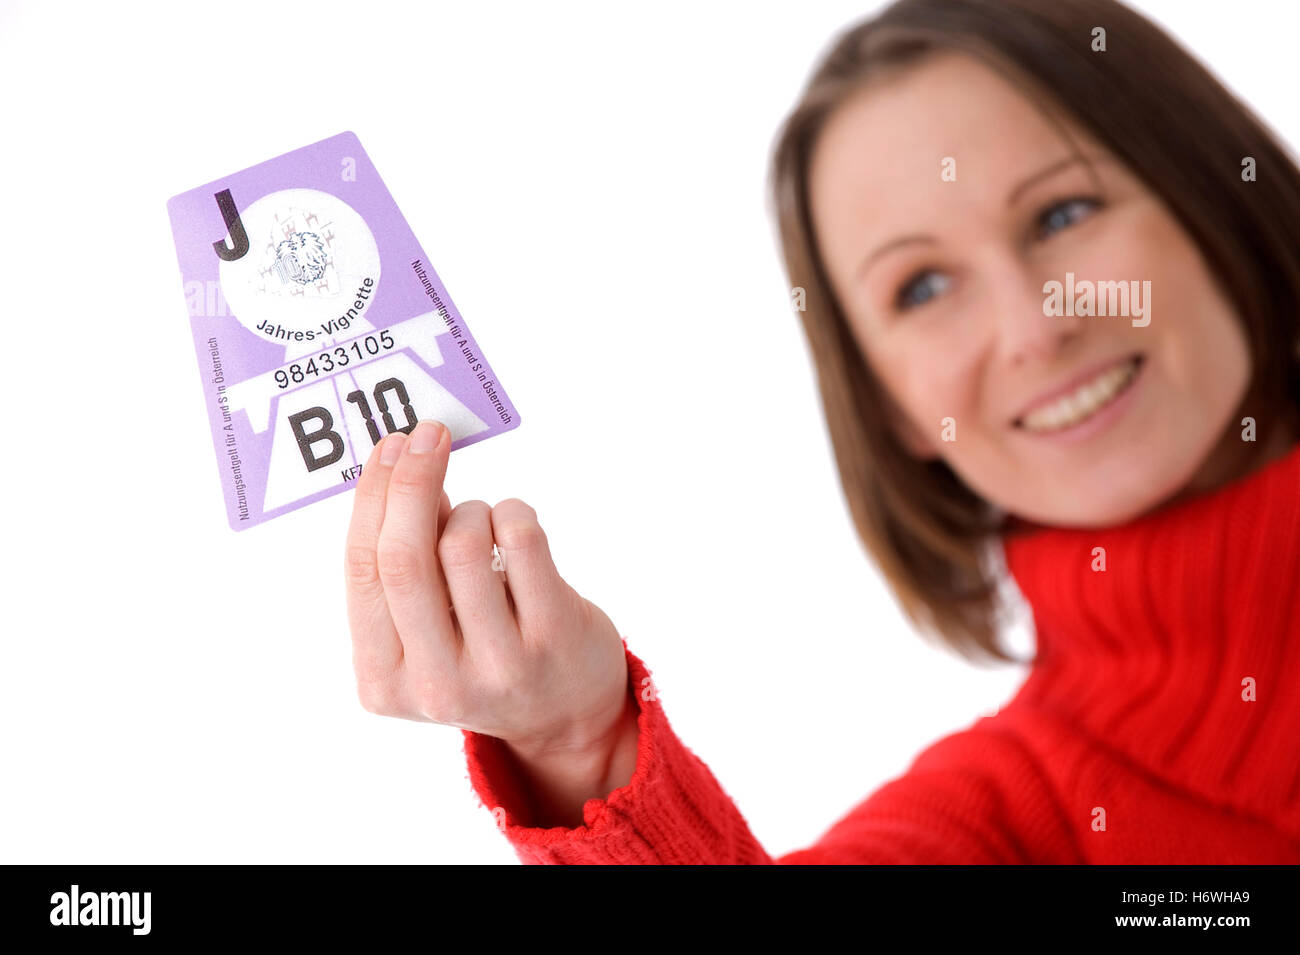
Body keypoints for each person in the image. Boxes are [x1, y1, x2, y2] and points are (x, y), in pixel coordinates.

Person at [342, 0, 1300, 863]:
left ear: (1211, 198)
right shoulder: (1016, 821)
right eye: (921, 287)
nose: (1032, 327)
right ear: (889, 404)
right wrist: (575, 746)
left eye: (1065, 211)